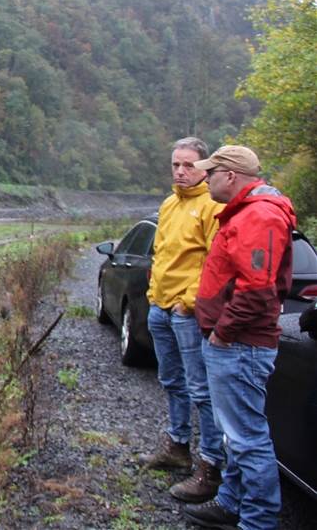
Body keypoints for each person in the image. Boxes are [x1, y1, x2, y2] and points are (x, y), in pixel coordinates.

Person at [183, 145, 296, 530]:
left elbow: (257, 289)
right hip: (234, 344)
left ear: (230, 176)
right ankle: (230, 503)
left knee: (247, 438)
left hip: (239, 346)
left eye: (210, 173)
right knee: (236, 435)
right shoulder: (246, 213)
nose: (205, 178)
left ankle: (258, 521)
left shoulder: (259, 216)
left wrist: (222, 334)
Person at [139, 137, 225, 503]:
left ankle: (210, 466)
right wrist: (154, 296)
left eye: (189, 165)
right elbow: (162, 253)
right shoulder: (170, 203)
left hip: (186, 312)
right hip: (160, 306)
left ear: (204, 168)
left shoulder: (212, 206)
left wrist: (188, 302)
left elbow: (215, 262)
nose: (180, 171)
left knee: (201, 390)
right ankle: (177, 446)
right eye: (176, 164)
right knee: (171, 380)